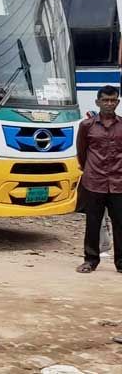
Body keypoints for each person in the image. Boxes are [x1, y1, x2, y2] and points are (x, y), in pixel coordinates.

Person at [75, 85, 122, 273]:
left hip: (119, 182)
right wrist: (90, 170)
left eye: (113, 100)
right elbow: (82, 152)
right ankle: (90, 260)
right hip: (94, 181)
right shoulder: (87, 126)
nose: (109, 104)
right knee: (93, 222)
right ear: (97, 102)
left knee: (120, 224)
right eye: (105, 100)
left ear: (117, 102)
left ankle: (120, 262)